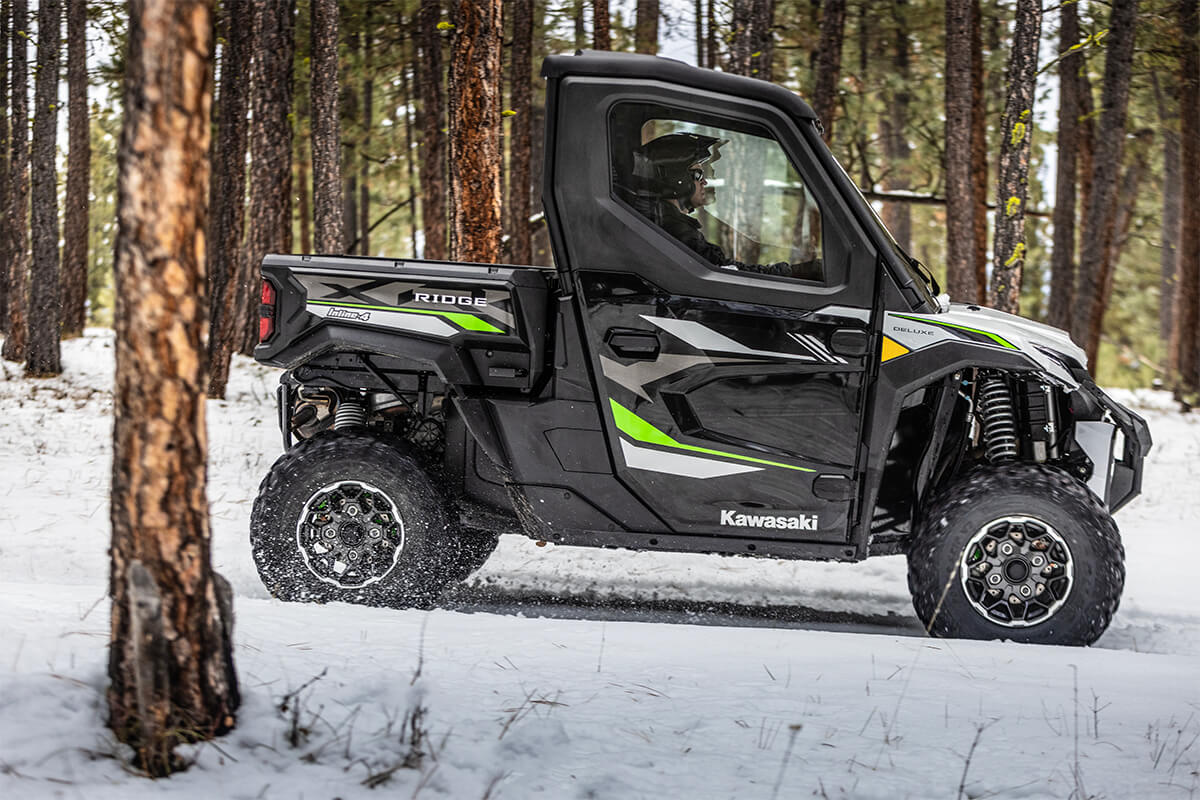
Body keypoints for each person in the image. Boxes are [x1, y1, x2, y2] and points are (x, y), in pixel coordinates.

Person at [630, 133, 792, 276]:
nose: (705, 181)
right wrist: (778, 273)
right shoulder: (676, 231)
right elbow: (724, 272)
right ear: (676, 178)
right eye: (698, 174)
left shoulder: (661, 222)